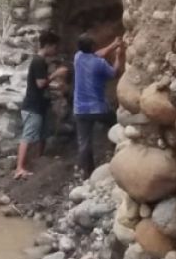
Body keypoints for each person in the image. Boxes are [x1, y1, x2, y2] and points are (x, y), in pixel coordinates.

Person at [73, 34, 126, 178]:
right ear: (92, 47)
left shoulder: (78, 58)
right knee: (117, 124)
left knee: (84, 142)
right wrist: (118, 55)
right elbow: (114, 72)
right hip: (98, 108)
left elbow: (97, 54)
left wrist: (113, 45)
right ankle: (120, 152)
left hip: (80, 109)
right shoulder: (99, 64)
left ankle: (86, 172)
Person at [15, 31, 63, 180]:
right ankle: (19, 168)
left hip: (39, 106)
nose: (56, 50)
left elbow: (40, 84)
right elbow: (40, 83)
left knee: (42, 134)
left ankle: (37, 159)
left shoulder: (40, 61)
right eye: (54, 47)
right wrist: (56, 75)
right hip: (32, 106)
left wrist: (54, 88)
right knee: (28, 136)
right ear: (48, 45)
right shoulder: (38, 61)